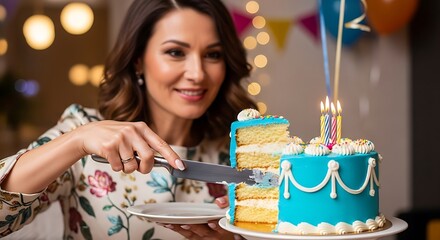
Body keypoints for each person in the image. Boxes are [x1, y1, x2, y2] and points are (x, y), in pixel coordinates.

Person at [0, 0, 257, 239]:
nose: (197, 74)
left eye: (213, 55)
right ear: (138, 61)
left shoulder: (242, 155)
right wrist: (76, 141)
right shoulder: (83, 132)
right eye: (176, 52)